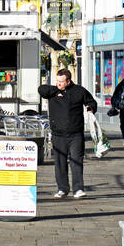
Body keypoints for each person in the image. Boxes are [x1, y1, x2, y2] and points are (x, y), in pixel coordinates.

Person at [39, 68, 97, 198]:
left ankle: (78, 189)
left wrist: (90, 108)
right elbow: (41, 89)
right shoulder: (52, 91)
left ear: (68, 81)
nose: (58, 83)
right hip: (58, 134)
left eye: (61, 81)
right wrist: (57, 90)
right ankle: (62, 189)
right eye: (57, 81)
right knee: (60, 162)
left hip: (75, 133)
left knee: (76, 161)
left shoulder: (79, 91)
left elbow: (91, 101)